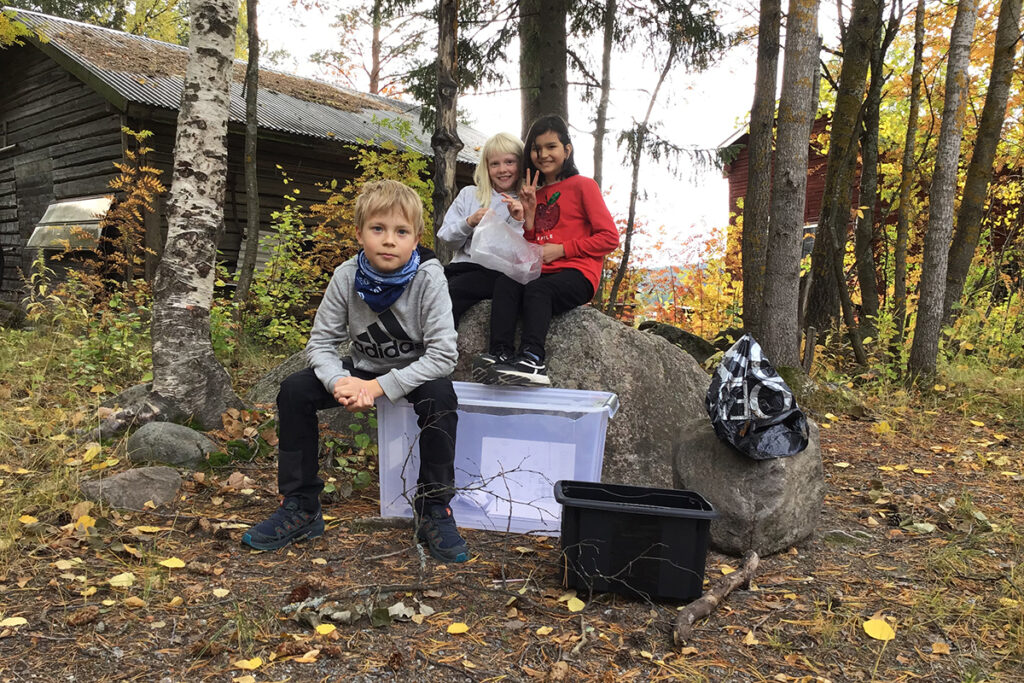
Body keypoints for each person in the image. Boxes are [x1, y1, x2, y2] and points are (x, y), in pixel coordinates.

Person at [242, 179, 468, 563]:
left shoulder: (429, 277)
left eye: (401, 232)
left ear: (416, 239)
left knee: (441, 396)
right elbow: (321, 343)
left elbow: (443, 355)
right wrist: (339, 382)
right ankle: (301, 506)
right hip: (360, 368)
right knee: (294, 391)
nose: (389, 240)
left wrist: (378, 387)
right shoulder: (346, 276)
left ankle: (434, 508)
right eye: (378, 229)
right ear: (360, 232)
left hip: (414, 374)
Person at [474, 115, 619, 386]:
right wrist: (526, 217)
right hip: (542, 270)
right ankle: (501, 355)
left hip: (577, 273)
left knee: (537, 290)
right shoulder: (534, 193)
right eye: (536, 148)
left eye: (551, 146)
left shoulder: (583, 185)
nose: (543, 154)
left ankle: (532, 359)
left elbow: (610, 238)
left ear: (567, 149)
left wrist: (563, 249)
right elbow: (534, 242)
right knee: (506, 283)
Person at [437, 132, 525, 326]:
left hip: (492, 273)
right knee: (425, 285)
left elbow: (519, 256)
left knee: (452, 293)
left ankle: (439, 348)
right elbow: (446, 238)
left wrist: (518, 221)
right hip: (458, 267)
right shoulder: (469, 195)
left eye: (510, 162)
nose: (502, 169)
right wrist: (469, 222)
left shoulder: (526, 202)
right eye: (495, 164)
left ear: (521, 164)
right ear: (486, 167)